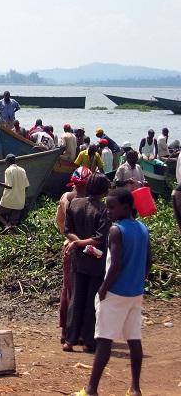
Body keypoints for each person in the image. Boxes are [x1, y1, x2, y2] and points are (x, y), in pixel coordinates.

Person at [72, 188, 152, 396]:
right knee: (134, 340)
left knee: (104, 341)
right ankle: (135, 388)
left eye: (112, 207)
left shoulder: (116, 230)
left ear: (126, 207)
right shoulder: (143, 228)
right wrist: (137, 282)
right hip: (135, 293)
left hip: (115, 292)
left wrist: (103, 289)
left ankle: (91, 390)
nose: (108, 210)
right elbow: (148, 262)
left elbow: (115, 265)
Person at [63, 173, 111, 354]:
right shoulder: (104, 210)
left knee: (76, 298)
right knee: (93, 300)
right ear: (104, 191)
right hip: (97, 261)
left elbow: (68, 230)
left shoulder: (74, 204)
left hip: (79, 259)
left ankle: (69, 340)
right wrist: (84, 243)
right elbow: (99, 238)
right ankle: (88, 341)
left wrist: (77, 242)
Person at [55, 166, 92, 344]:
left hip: (69, 246)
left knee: (68, 289)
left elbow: (59, 221)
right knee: (86, 289)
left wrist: (67, 236)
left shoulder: (66, 197)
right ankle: (83, 332)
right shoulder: (92, 201)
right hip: (89, 248)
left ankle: (66, 332)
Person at [0, 154, 29, 233]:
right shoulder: (22, 170)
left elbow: (9, 186)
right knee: (13, 222)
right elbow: (26, 186)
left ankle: (7, 226)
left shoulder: (8, 170)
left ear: (8, 162)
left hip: (8, 199)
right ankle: (11, 230)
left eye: (6, 162)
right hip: (19, 201)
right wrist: (23, 196)